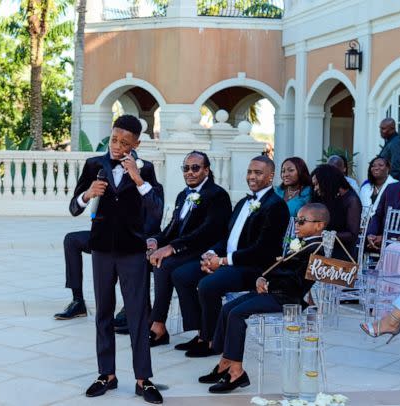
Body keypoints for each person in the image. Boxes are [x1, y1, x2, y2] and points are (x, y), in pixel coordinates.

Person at [70, 115, 164, 404]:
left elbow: (157, 210)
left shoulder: (146, 169)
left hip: (133, 252)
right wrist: (87, 195)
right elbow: (74, 207)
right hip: (101, 251)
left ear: (137, 143)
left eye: (125, 142)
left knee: (137, 315)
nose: (117, 146)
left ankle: (142, 379)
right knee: (103, 313)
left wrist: (137, 179)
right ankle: (106, 375)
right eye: (114, 139)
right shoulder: (93, 165)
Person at [200, 203, 329, 393]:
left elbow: (297, 282)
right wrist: (262, 278)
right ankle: (225, 361)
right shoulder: (301, 243)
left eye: (302, 221)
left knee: (236, 314)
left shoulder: (317, 251)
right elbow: (278, 267)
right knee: (227, 308)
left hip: (286, 299)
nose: (297, 225)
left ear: (319, 226)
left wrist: (270, 284)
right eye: (297, 220)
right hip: (274, 291)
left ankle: (236, 371)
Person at [172, 155, 290, 357]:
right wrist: (211, 255)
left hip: (255, 268)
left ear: (271, 176)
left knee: (209, 284)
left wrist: (224, 261)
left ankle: (211, 342)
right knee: (182, 275)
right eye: (250, 172)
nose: (252, 177)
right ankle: (201, 331)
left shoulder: (276, 206)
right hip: (231, 261)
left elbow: (263, 250)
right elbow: (227, 237)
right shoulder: (244, 202)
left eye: (258, 173)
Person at [146, 151, 232, 347]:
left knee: (165, 264)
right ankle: (145, 319)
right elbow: (172, 228)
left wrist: (172, 248)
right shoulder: (182, 195)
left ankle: (158, 325)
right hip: (187, 250)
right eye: (186, 168)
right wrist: (154, 242)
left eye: (195, 168)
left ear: (207, 170)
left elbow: (208, 232)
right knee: (145, 261)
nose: (190, 172)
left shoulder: (217, 195)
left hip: (207, 251)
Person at [311, 164, 362, 260]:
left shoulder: (351, 200)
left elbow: (352, 235)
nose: (315, 188)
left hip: (341, 253)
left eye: (317, 184)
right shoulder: (325, 195)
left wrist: (324, 235)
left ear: (328, 181)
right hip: (320, 248)